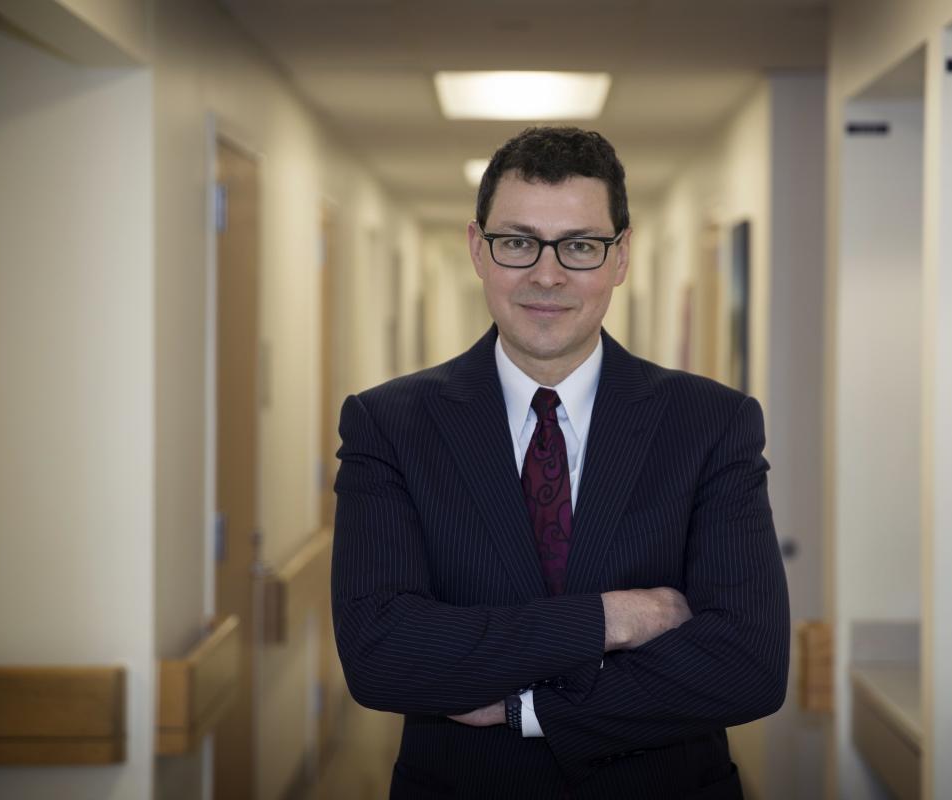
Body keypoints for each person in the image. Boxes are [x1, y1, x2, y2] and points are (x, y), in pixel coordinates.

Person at [331, 126, 789, 799]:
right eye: (517, 242)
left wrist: (532, 711)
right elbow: (382, 655)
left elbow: (748, 663)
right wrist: (611, 619)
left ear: (621, 255)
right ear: (477, 250)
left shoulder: (710, 425)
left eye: (579, 246)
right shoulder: (391, 426)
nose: (547, 275)